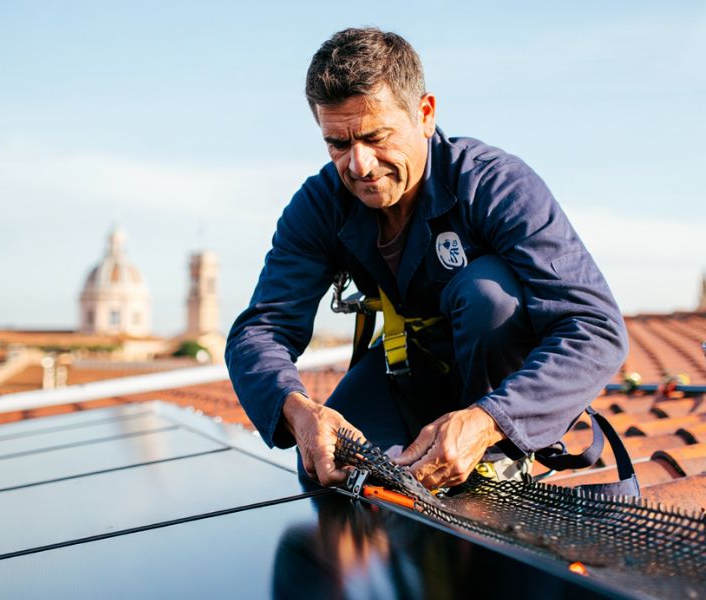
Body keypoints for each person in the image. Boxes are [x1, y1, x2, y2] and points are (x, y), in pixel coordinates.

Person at [225, 28, 628, 490]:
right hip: (407, 370)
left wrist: (490, 420)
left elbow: (595, 327)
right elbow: (259, 330)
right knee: (328, 470)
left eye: (376, 137)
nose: (359, 165)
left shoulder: (496, 185)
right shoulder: (321, 205)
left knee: (488, 297)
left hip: (497, 387)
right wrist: (298, 410)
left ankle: (498, 459)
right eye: (337, 143)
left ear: (425, 114)